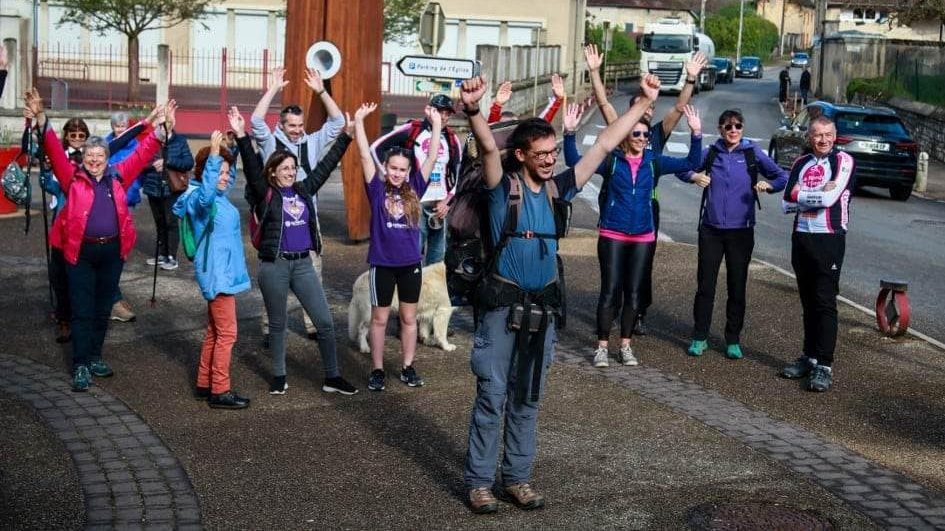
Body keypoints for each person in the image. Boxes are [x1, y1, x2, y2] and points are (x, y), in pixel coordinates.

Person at [459, 74, 662, 514]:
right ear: (521, 155)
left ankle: (517, 477)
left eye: (553, 152)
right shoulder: (503, 189)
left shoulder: (558, 189)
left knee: (528, 396)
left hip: (543, 311)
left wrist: (642, 104)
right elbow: (488, 150)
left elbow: (604, 144)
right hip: (501, 309)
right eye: (542, 154)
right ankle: (479, 482)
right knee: (492, 396)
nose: (551, 160)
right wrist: (474, 110)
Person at [26, 88, 165, 392]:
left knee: (103, 309)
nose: (94, 160)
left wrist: (158, 128)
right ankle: (80, 364)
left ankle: (94, 357)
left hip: (112, 252)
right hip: (81, 254)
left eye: (99, 156)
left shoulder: (118, 175)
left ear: (107, 158)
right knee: (82, 310)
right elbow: (53, 149)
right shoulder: (72, 178)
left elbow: (141, 154)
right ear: (84, 159)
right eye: (90, 156)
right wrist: (41, 117)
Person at [564, 102, 703, 367]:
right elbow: (575, 162)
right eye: (636, 133)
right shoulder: (611, 160)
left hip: (643, 236)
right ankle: (602, 347)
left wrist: (696, 134)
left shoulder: (654, 162)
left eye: (645, 135)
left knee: (635, 293)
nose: (641, 138)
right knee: (609, 291)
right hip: (613, 233)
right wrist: (569, 133)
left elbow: (691, 163)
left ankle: (625, 346)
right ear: (626, 136)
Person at [236, 106, 358, 397]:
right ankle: (279, 376)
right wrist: (241, 136)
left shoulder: (303, 190)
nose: (290, 172)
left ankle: (332, 377)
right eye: (285, 168)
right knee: (278, 325)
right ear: (273, 172)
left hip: (303, 264)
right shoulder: (266, 195)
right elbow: (252, 168)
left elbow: (326, 165)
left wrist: (347, 136)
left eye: (293, 167)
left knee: (325, 322)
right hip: (275, 266)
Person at [585, 44, 707, 335]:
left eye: (651, 107)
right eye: (643, 106)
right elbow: (603, 104)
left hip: (647, 207)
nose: (649, 110)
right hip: (616, 203)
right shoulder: (621, 129)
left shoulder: (656, 133)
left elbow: (679, 108)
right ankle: (612, 311)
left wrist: (690, 78)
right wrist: (594, 72)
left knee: (642, 266)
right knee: (614, 266)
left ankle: (638, 312)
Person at [676, 110, 788, 359]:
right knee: (706, 286)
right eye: (728, 126)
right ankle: (699, 337)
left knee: (737, 287)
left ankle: (733, 340)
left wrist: (769, 186)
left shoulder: (752, 152)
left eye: (738, 126)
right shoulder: (711, 152)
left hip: (741, 231)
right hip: (711, 230)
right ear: (720, 129)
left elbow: (782, 176)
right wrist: (695, 176)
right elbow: (682, 168)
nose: (733, 130)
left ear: (743, 128)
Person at [251, 66, 344, 343]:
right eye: (291, 125)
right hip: (277, 219)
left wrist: (321, 91)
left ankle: (313, 324)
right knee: (275, 280)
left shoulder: (312, 142)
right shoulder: (271, 143)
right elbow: (256, 121)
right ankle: (269, 329)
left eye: (300, 125)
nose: (297, 130)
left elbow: (338, 122)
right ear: (281, 125)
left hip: (307, 218)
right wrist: (273, 88)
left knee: (313, 272)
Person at [355, 103, 440, 391]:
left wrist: (436, 125)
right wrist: (359, 122)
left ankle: (407, 366)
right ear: (386, 167)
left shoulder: (415, 188)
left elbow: (431, 157)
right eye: (393, 168)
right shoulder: (376, 189)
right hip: (382, 264)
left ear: (408, 171)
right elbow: (364, 155)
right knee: (379, 319)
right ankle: (378, 369)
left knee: (408, 317)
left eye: (402, 169)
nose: (397, 173)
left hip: (410, 265)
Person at [173, 131, 251, 409]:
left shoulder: (219, 196)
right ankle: (220, 390)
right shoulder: (199, 198)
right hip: (218, 276)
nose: (224, 177)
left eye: (227, 172)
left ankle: (205, 383)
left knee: (215, 331)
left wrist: (232, 147)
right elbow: (206, 197)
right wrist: (215, 156)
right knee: (227, 333)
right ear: (205, 172)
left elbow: (223, 182)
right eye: (218, 171)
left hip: (223, 274)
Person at [780, 116, 855, 392]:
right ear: (809, 137)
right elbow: (785, 203)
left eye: (827, 135)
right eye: (817, 135)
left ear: (834, 136)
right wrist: (815, 193)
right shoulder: (801, 163)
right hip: (802, 237)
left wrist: (802, 194)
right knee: (808, 301)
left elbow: (829, 199)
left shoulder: (843, 160)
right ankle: (809, 357)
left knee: (824, 302)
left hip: (829, 239)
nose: (822, 140)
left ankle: (824, 365)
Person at [371, 93, 463, 265]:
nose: (443, 117)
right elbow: (376, 148)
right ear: (429, 110)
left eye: (447, 113)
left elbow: (459, 171)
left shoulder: (452, 138)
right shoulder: (412, 129)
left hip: (440, 207)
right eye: (439, 111)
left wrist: (448, 201)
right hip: (414, 203)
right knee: (413, 256)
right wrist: (388, 179)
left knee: (437, 261)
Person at [140, 103, 194, 272]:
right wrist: (152, 165)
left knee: (170, 222)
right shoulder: (151, 140)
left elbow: (188, 163)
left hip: (171, 188)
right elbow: (141, 161)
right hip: (153, 187)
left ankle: (171, 256)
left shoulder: (180, 141)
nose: (163, 124)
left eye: (167, 121)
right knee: (159, 222)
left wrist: (168, 162)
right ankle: (161, 254)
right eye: (160, 121)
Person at [487, 74, 565, 125]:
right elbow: (491, 129)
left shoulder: (523, 140)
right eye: (504, 126)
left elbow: (540, 125)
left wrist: (558, 100)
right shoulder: (491, 141)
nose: (509, 131)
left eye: (513, 126)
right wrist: (497, 105)